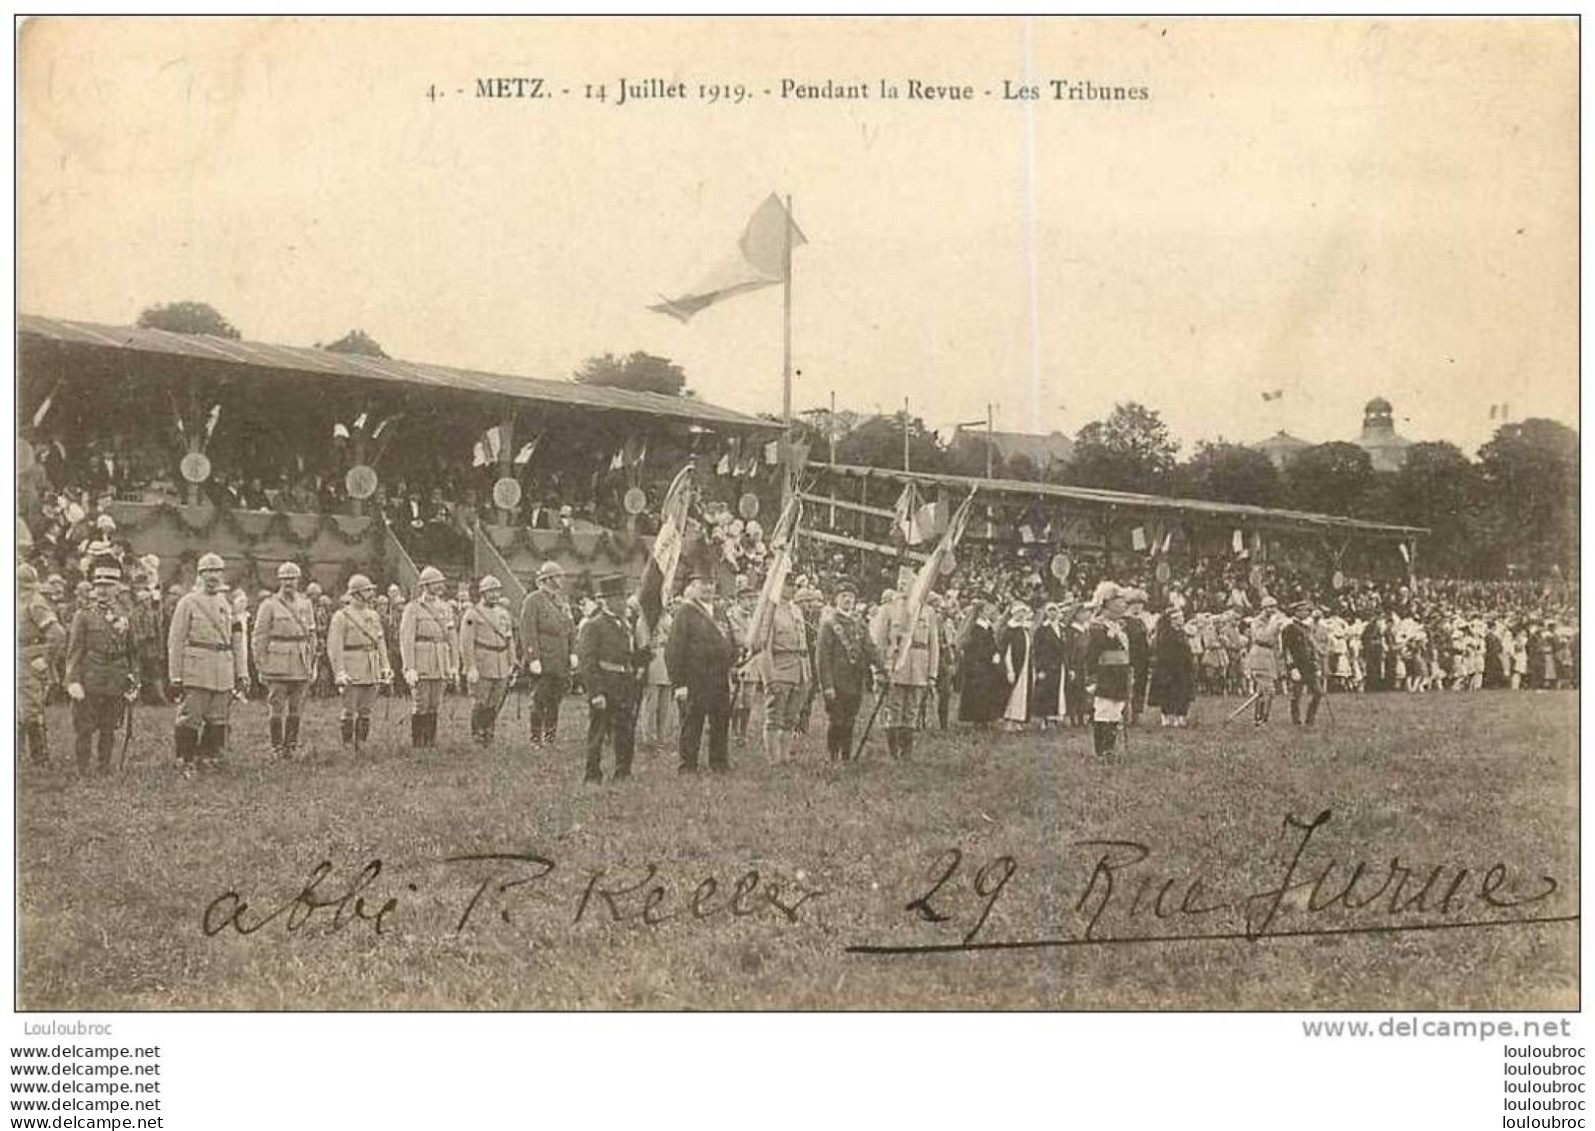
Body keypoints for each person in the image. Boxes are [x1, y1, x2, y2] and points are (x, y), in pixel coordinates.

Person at [167, 552, 249, 770]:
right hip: (196, 668)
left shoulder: (227, 603)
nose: (213, 576)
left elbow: (237, 640)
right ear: (200, 575)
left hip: (222, 667)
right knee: (191, 716)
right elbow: (176, 640)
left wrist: (241, 672)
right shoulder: (188, 602)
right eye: (208, 572)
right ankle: (185, 759)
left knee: (218, 717)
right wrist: (175, 676)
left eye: (217, 571)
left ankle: (209, 757)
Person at [64, 564, 138, 775]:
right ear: (94, 588)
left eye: (109, 585)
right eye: (99, 585)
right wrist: (73, 680)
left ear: (118, 587)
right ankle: (83, 768)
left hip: (116, 677)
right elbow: (74, 651)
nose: (103, 590)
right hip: (91, 676)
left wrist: (134, 680)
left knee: (109, 726)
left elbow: (133, 651)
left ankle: (104, 766)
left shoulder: (126, 614)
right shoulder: (84, 615)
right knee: (85, 727)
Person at [665, 568, 735, 774]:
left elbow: (728, 640)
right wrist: (679, 684)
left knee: (720, 722)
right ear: (692, 587)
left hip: (719, 678)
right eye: (702, 583)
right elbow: (674, 650)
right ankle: (688, 766)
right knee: (693, 724)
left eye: (711, 583)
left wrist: (734, 661)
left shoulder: (720, 612)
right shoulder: (685, 612)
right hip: (695, 678)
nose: (707, 587)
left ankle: (719, 762)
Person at [576, 574, 641, 784]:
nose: (624, 602)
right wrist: (596, 692)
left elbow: (628, 653)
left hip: (625, 683)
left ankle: (623, 771)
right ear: (607, 601)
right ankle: (592, 774)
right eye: (619, 598)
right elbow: (587, 662)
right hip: (605, 684)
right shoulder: (593, 626)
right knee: (598, 731)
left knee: (625, 729)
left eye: (624, 597)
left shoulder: (625, 625)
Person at [869, 568, 940, 760]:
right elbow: (879, 642)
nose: (903, 587)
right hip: (895, 667)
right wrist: (879, 669)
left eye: (908, 584)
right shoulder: (888, 609)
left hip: (919, 668)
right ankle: (894, 752)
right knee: (894, 708)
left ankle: (907, 752)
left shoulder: (928, 611)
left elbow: (933, 645)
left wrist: (932, 673)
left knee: (912, 709)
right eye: (900, 584)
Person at [252, 561, 317, 759]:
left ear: (298, 580)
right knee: (277, 704)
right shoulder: (269, 605)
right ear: (279, 580)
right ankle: (276, 747)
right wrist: (261, 663)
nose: (289, 582)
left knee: (296, 705)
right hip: (277, 662)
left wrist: (312, 661)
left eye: (293, 578)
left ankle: (291, 745)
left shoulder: (305, 604)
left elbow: (312, 635)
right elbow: (259, 636)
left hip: (300, 660)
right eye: (285, 579)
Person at [326, 573, 392, 751]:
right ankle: (347, 744)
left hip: (371, 665)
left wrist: (385, 666)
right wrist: (339, 671)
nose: (370, 594)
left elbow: (380, 642)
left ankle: (361, 743)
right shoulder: (342, 616)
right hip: (352, 665)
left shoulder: (373, 615)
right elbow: (334, 646)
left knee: (366, 709)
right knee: (349, 708)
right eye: (366, 590)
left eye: (371, 590)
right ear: (355, 594)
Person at [815, 579, 876, 761]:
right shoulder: (829, 624)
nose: (848, 600)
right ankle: (833, 756)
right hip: (836, 682)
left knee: (850, 720)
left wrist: (885, 667)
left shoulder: (859, 623)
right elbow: (822, 658)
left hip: (855, 681)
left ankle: (846, 757)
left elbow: (870, 648)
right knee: (837, 720)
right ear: (836, 600)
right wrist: (827, 685)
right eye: (844, 596)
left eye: (851, 596)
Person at [754, 572, 810, 765]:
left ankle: (785, 756)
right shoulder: (769, 611)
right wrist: (769, 678)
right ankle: (773, 759)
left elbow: (803, 642)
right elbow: (764, 647)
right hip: (780, 667)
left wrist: (807, 673)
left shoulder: (795, 610)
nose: (791, 588)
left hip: (799, 668)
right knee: (775, 716)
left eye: (793, 585)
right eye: (787, 584)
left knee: (791, 716)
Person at [519, 560, 577, 746]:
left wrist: (573, 652)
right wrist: (533, 657)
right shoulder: (533, 600)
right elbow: (528, 631)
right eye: (558, 576)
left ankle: (550, 737)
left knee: (555, 700)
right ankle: (536, 738)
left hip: (560, 661)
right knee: (539, 700)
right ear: (548, 579)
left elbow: (571, 629)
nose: (562, 579)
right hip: (543, 660)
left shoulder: (561, 601)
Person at [400, 565, 457, 749]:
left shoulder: (446, 607)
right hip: (421, 659)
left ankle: (430, 741)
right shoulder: (413, 608)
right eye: (435, 583)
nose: (440, 586)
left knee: (435, 703)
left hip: (440, 659)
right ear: (425, 585)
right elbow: (406, 639)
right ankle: (419, 743)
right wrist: (409, 667)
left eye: (440, 582)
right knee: (421, 702)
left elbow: (452, 638)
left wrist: (454, 664)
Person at [460, 575, 518, 747]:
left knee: (496, 699)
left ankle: (489, 730)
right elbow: (466, 642)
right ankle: (478, 731)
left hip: (501, 661)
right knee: (481, 699)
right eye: (490, 591)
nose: (494, 595)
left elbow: (509, 639)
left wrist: (512, 661)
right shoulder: (472, 613)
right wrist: (470, 666)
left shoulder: (504, 614)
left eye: (496, 591)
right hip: (483, 661)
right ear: (482, 593)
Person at [18, 562, 66, 767]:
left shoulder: (35, 603)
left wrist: (45, 660)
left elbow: (57, 633)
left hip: (29, 658)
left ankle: (40, 758)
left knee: (29, 711)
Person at [1084, 582, 1133, 755]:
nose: (1123, 604)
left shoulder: (1119, 626)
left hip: (1119, 674)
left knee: (1115, 710)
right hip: (1105, 674)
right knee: (1104, 710)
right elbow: (1091, 656)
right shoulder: (1097, 627)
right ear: (1107, 603)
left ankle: (1109, 749)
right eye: (1119, 600)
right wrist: (1092, 678)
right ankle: (1101, 750)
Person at [957, 599, 1006, 726]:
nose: (989, 613)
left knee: (986, 691)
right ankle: (977, 720)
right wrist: (991, 654)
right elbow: (978, 647)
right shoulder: (975, 628)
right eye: (987, 611)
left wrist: (996, 652)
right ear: (980, 613)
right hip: (977, 664)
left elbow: (991, 644)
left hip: (987, 663)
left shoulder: (987, 626)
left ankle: (985, 718)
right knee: (978, 692)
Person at [1148, 605, 1196, 727]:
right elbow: (1162, 652)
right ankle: (1167, 716)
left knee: (1182, 692)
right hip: (1168, 668)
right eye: (1179, 617)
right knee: (1168, 692)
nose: (1182, 619)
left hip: (1182, 667)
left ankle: (1180, 717)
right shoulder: (1164, 635)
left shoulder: (1182, 633)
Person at [1281, 599, 1324, 725]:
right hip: (1297, 665)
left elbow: (1311, 648)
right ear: (1296, 612)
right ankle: (1296, 719)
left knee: (1318, 692)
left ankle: (1310, 718)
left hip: (1309, 665)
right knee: (1297, 695)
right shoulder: (1289, 628)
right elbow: (1286, 649)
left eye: (1308, 610)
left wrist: (1316, 664)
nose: (1307, 613)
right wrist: (1292, 667)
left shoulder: (1307, 628)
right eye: (1304, 610)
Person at [1246, 596, 1284, 725]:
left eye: (1274, 607)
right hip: (1259, 654)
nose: (1272, 610)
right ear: (1263, 608)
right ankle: (1260, 718)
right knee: (1267, 690)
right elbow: (1263, 638)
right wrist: (1273, 624)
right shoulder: (1257, 621)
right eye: (1269, 607)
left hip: (1270, 655)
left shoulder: (1274, 620)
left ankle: (1261, 718)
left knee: (1264, 691)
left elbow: (1276, 641)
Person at [1030, 603, 1067, 727]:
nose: (1052, 613)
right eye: (1050, 611)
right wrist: (1040, 667)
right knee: (1046, 691)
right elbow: (1037, 649)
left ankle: (1054, 717)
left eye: (1055, 611)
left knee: (1057, 689)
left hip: (1058, 664)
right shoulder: (1042, 630)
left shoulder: (1062, 628)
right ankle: (1044, 718)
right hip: (1046, 664)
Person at [999, 601, 1032, 731]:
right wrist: (1009, 670)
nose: (1021, 615)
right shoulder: (1010, 630)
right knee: (1013, 693)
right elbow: (1007, 651)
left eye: (1023, 613)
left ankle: (1019, 719)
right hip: (1015, 665)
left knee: (1023, 693)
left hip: (1025, 665)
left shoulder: (1024, 629)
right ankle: (1009, 720)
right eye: (1018, 613)